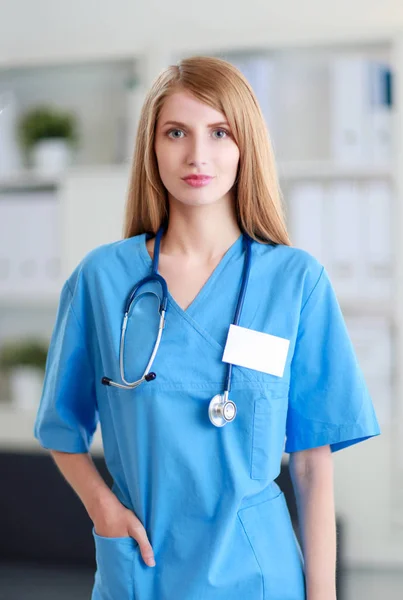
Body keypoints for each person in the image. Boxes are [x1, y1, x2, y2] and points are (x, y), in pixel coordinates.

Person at [34, 55, 380, 600]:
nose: (198, 155)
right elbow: (60, 428)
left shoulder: (295, 281)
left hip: (259, 573)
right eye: (177, 132)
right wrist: (104, 511)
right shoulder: (103, 280)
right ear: (152, 147)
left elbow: (312, 467)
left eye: (220, 132)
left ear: (246, 146)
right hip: (140, 565)